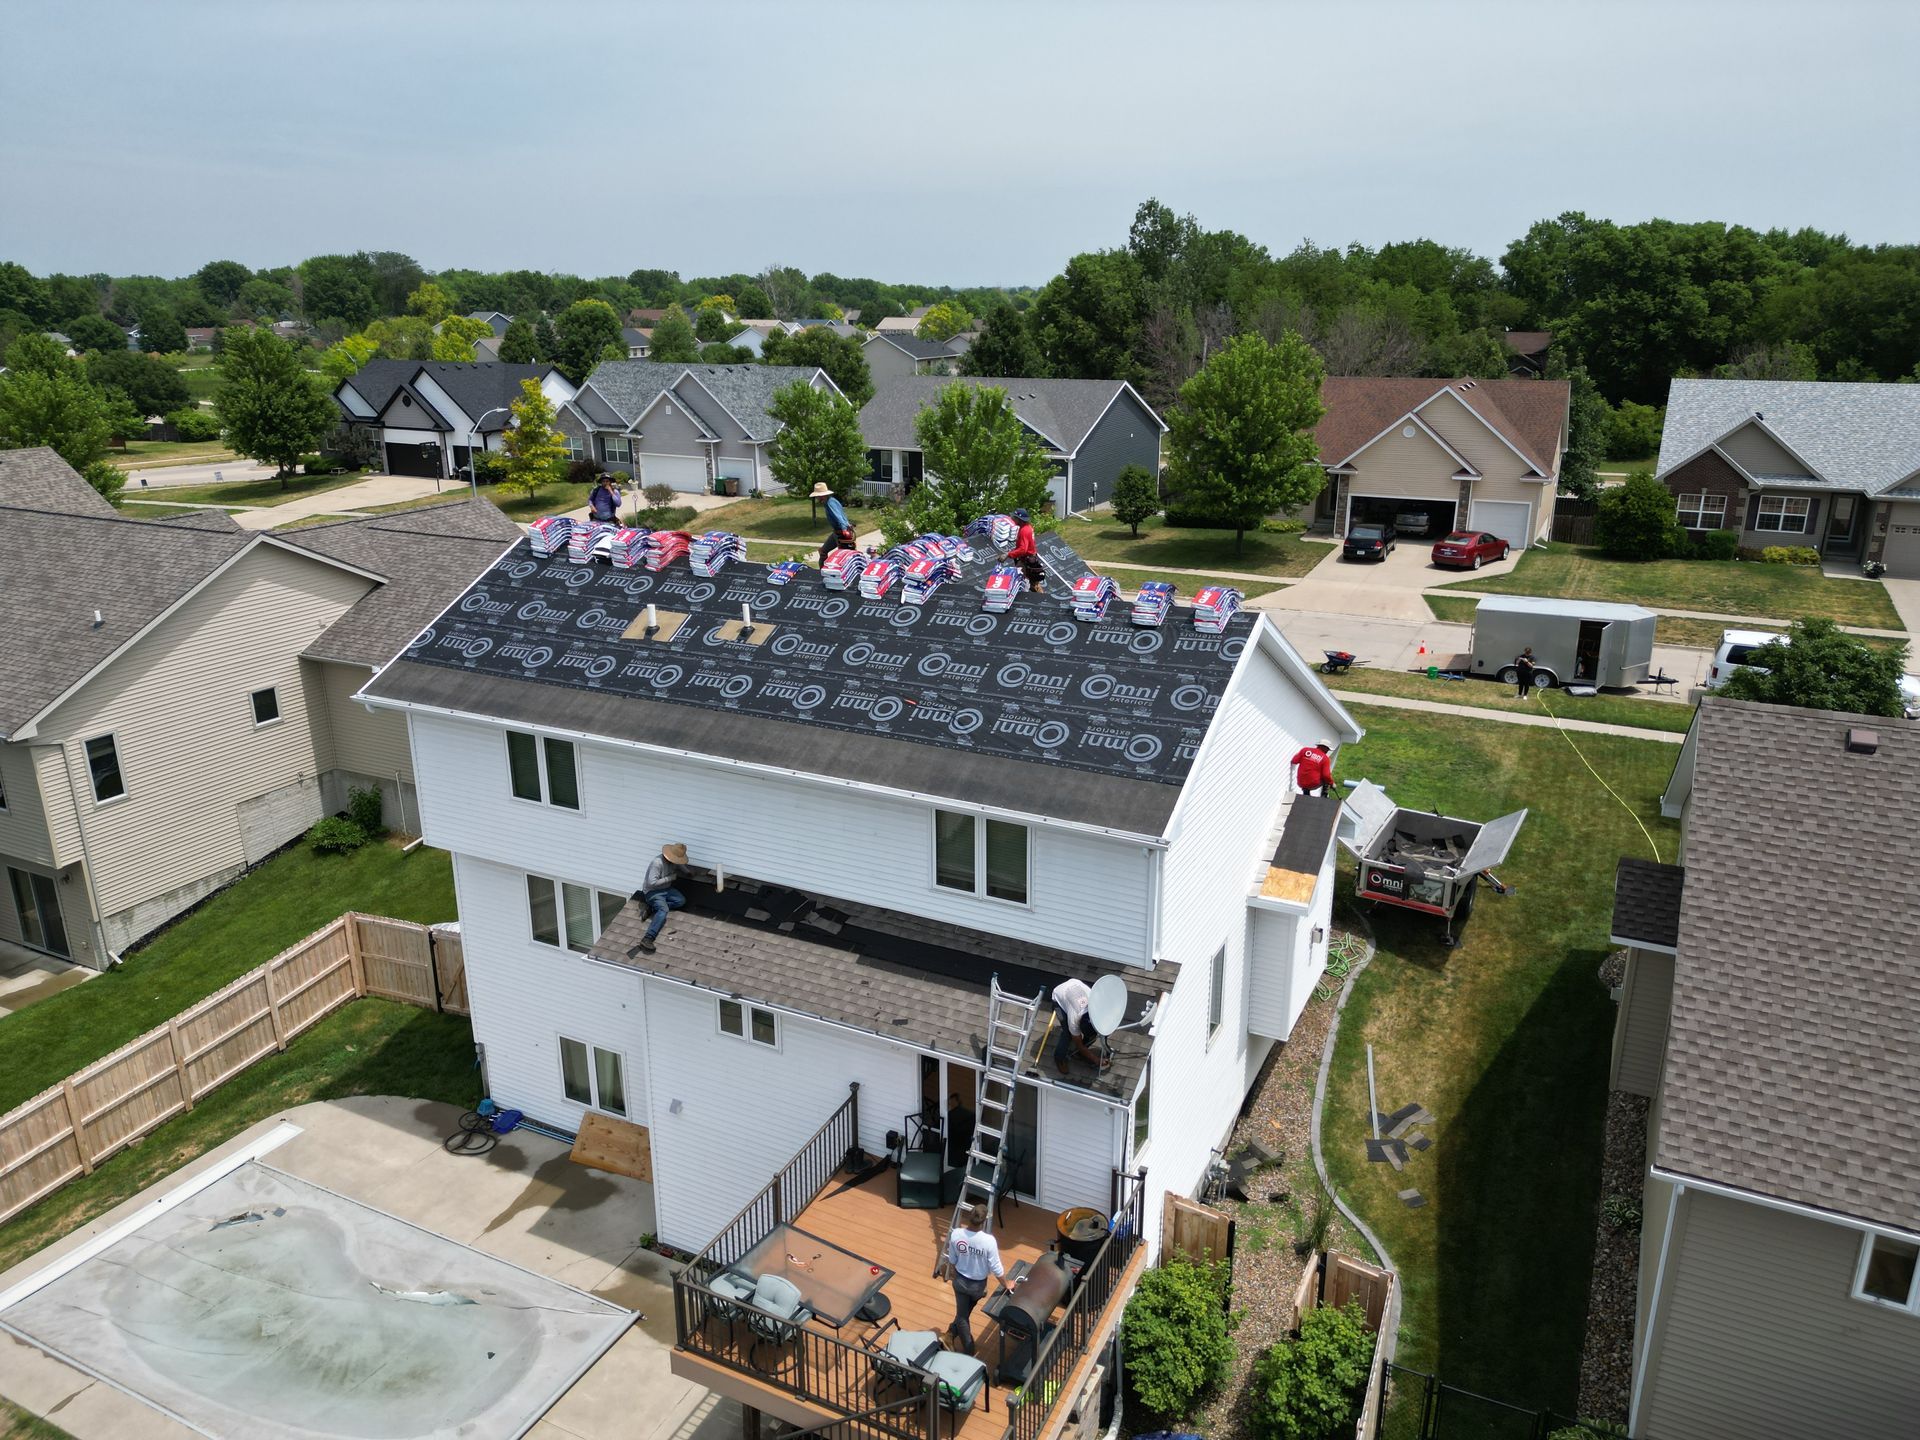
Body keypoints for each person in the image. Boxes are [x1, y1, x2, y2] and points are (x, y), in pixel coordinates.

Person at [944, 1201, 1005, 1355]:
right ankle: (970, 1350)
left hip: (959, 1281)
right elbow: (996, 1268)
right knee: (963, 1316)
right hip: (977, 1287)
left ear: (969, 1217)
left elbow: (952, 1260)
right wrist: (1006, 1283)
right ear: (983, 1222)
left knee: (962, 1314)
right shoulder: (988, 1241)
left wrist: (953, 1275)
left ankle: (950, 1335)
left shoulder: (956, 1234)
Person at [633, 842, 689, 954]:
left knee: (681, 901)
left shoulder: (674, 861)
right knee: (664, 910)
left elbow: (678, 864)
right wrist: (669, 878)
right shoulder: (657, 863)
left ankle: (652, 908)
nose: (676, 862)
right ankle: (648, 938)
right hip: (652, 892)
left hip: (666, 890)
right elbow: (651, 883)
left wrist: (687, 872)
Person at [1050, 977, 1108, 1076]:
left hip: (1074, 983)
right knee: (1067, 1034)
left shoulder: (1097, 1007)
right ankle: (1059, 1058)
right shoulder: (1074, 1020)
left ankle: (1080, 1054)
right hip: (1058, 999)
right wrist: (1096, 1060)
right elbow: (1079, 1044)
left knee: (1091, 1035)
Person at [813, 482, 855, 567]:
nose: (816, 498)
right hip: (837, 532)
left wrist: (844, 529)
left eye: (817, 496)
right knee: (823, 551)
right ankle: (822, 572)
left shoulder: (830, 503)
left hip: (841, 532)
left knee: (845, 557)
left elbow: (838, 516)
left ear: (821, 496)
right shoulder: (830, 501)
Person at [1007, 508, 1046, 595]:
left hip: (1027, 560)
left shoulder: (1024, 531)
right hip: (1030, 558)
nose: (1013, 519)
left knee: (1018, 578)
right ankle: (1041, 597)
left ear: (1019, 519)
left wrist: (1008, 554)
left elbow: (1023, 549)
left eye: (1014, 517)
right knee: (1033, 583)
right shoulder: (1028, 528)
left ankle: (1018, 596)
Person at [945, 1090, 976, 1168]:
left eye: (950, 1102)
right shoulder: (970, 1114)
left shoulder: (950, 1115)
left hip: (956, 1144)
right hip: (967, 1142)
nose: (950, 1104)